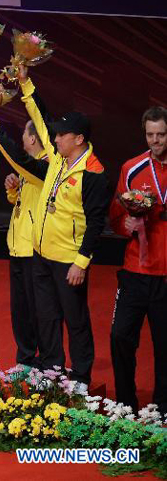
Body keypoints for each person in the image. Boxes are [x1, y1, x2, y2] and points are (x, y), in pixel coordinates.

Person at [0, 78, 110, 393]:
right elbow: (40, 117)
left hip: (68, 259)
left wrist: (81, 261)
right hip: (41, 254)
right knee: (47, 317)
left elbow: (95, 223)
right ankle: (51, 369)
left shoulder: (93, 172)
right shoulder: (58, 158)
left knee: (75, 320)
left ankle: (79, 376)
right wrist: (24, 82)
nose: (56, 137)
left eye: (62, 134)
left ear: (78, 139)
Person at [0, 56, 47, 372]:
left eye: (24, 137)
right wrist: (13, 192)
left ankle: (44, 361)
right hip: (17, 247)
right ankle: (25, 359)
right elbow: (27, 202)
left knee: (38, 309)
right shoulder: (31, 172)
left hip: (36, 248)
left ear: (34, 138)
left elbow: (17, 154)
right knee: (19, 309)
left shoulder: (46, 165)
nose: (22, 142)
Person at [108, 106, 167, 414]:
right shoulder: (132, 167)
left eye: (161, 135)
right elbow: (116, 217)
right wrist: (125, 226)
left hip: (166, 276)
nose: (155, 141)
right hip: (135, 270)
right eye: (150, 135)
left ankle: (162, 411)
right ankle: (126, 406)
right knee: (120, 337)